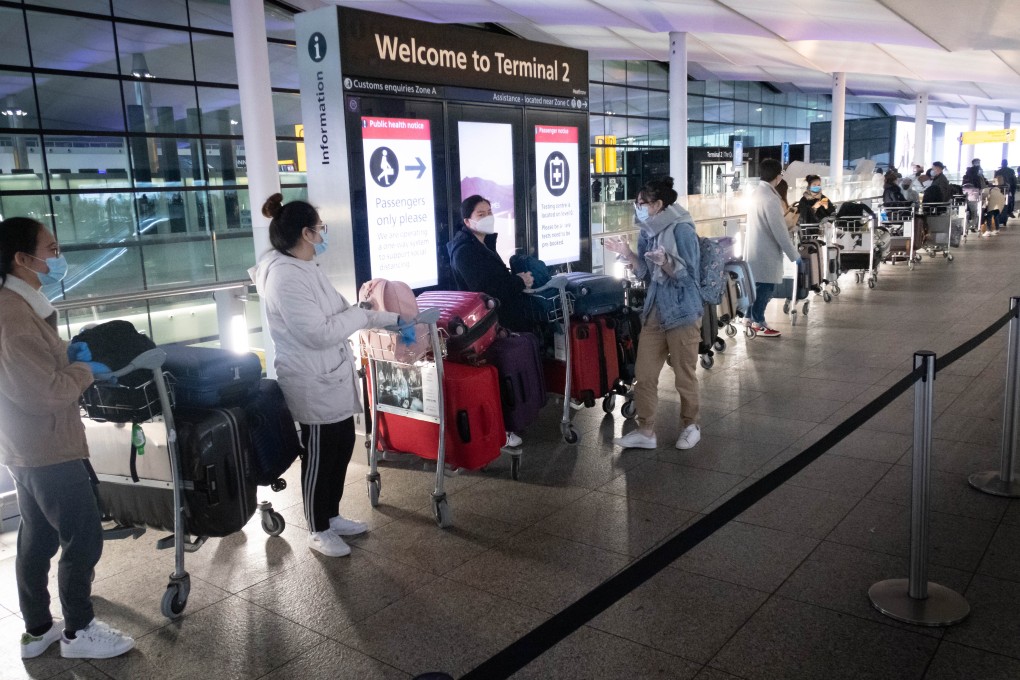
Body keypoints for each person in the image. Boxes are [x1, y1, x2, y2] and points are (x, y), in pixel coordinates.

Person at [0, 217, 135, 659]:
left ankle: (38, 629)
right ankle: (80, 631)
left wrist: (65, 357)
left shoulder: (21, 305)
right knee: (84, 538)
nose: (58, 258)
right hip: (48, 446)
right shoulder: (13, 315)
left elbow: (34, 371)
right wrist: (82, 370)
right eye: (51, 249)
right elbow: (42, 393)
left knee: (37, 538)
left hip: (28, 445)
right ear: (23, 259)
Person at [250, 194, 401, 558]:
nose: (322, 234)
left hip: (328, 376)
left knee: (341, 446)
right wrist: (362, 316)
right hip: (311, 381)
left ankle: (331, 516)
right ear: (305, 232)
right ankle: (318, 529)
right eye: (320, 228)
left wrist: (393, 321)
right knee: (319, 455)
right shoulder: (285, 278)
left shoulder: (305, 268)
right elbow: (318, 332)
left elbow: (343, 313)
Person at [604, 177, 702, 451]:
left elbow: (689, 277)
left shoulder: (682, 229)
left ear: (658, 204)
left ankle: (691, 425)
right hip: (655, 311)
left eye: (642, 204)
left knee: (684, 374)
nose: (638, 208)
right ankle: (646, 430)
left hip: (683, 311)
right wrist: (629, 255)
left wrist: (668, 263)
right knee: (645, 373)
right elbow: (645, 274)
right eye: (637, 204)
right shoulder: (648, 231)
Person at [447, 194, 534, 448]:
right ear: (467, 220)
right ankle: (500, 431)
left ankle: (508, 424)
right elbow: (485, 289)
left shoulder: (481, 245)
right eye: (480, 214)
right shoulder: (465, 251)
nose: (488, 217)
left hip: (495, 321)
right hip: (482, 327)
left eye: (489, 211)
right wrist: (519, 282)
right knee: (496, 372)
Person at [745, 159, 800, 338]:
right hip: (765, 251)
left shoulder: (756, 193)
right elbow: (780, 231)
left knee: (756, 287)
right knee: (765, 289)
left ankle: (749, 318)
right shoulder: (770, 198)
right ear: (778, 177)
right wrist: (794, 256)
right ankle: (758, 323)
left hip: (755, 249)